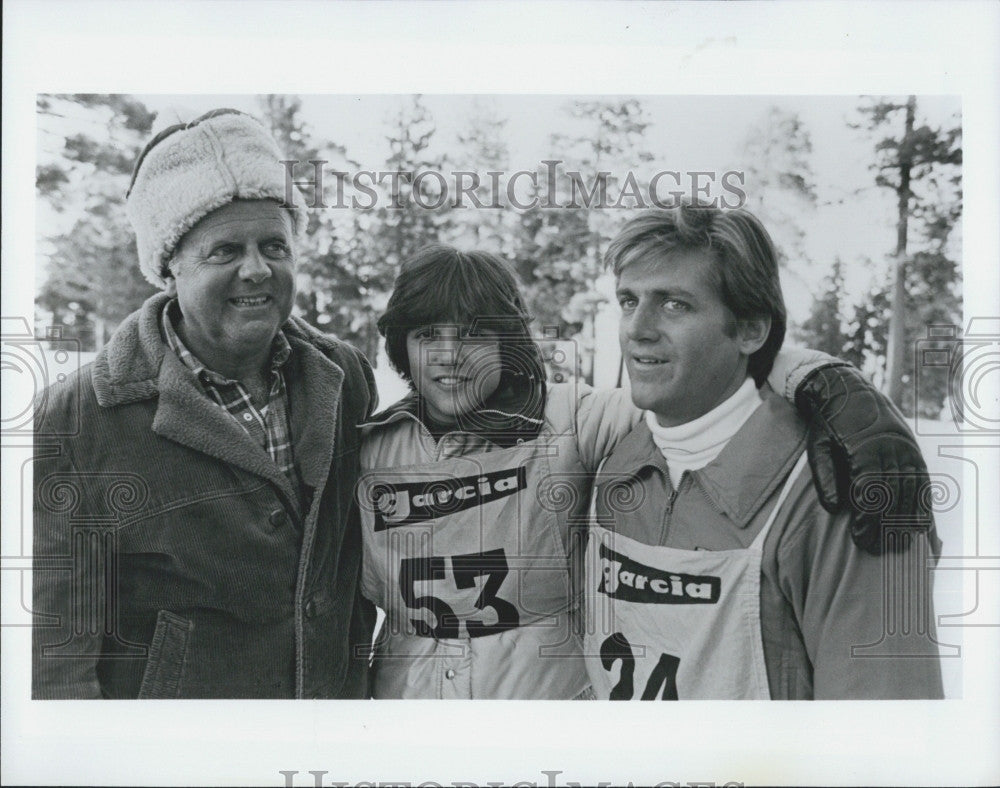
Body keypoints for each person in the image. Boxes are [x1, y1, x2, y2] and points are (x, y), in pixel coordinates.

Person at [357, 243, 932, 699]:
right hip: (407, 705)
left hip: (543, 713)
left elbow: (706, 374)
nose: (449, 356)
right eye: (427, 334)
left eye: (474, 334)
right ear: (400, 345)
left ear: (508, 342)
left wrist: (832, 383)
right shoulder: (369, 451)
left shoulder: (574, 418)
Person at [32, 109, 377, 698]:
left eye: (275, 244)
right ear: (169, 269)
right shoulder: (77, 418)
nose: (256, 269)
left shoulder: (344, 376)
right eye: (224, 251)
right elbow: (56, 659)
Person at [584, 205, 943, 699]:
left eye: (674, 305)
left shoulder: (842, 488)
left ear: (751, 329)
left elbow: (886, 740)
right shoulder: (603, 456)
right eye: (628, 301)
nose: (637, 328)